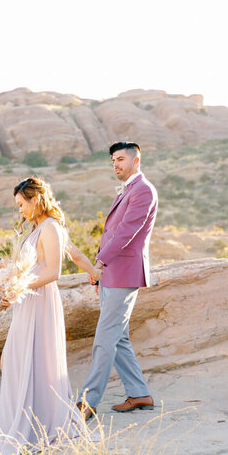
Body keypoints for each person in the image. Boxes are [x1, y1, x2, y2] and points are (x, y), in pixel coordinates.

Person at [0, 176, 101, 455]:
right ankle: (31, 421)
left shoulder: (51, 227)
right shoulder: (39, 227)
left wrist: (18, 285)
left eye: (21, 204)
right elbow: (74, 253)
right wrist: (12, 285)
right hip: (28, 301)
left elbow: (54, 271)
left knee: (30, 360)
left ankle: (37, 426)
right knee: (15, 360)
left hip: (40, 301)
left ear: (35, 200)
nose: (19, 210)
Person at [75, 141, 158, 421]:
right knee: (118, 337)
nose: (116, 164)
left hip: (124, 272)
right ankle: (139, 393)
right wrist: (101, 271)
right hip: (112, 273)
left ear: (136, 160)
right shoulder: (128, 189)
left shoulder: (143, 190)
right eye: (113, 160)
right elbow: (111, 233)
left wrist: (99, 262)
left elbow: (126, 231)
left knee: (105, 337)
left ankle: (88, 402)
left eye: (121, 159)